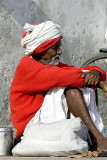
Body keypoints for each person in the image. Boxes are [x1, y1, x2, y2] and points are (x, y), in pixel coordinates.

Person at [10, 21, 107, 152]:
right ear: (41, 50)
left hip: (49, 125)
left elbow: (80, 71)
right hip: (31, 130)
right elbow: (67, 77)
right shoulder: (27, 66)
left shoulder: (51, 65)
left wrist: (96, 73)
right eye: (55, 48)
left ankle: (94, 138)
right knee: (71, 88)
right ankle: (97, 139)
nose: (60, 51)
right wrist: (100, 83)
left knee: (86, 85)